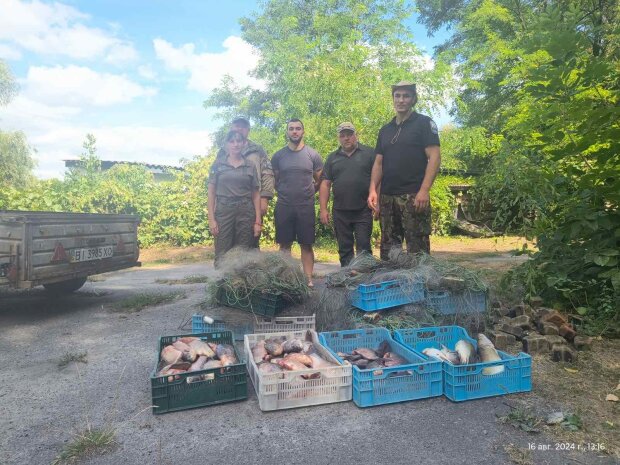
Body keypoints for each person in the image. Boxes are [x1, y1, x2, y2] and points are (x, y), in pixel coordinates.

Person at [367, 81, 441, 260]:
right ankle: (391, 286)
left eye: (406, 96)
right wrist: (372, 190)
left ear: (414, 99)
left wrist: (424, 190)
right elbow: (378, 163)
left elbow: (435, 157)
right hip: (387, 198)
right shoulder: (385, 130)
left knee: (418, 250)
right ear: (393, 99)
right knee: (389, 251)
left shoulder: (424, 123)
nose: (401, 100)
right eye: (397, 96)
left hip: (413, 197)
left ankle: (420, 286)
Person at [271, 118, 323, 287]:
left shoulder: (313, 155)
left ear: (303, 132)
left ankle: (308, 279)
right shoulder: (278, 156)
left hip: (305, 207)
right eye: (291, 128)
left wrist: (309, 193)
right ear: (287, 132)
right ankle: (285, 279)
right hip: (284, 206)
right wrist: (285, 193)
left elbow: (320, 180)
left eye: (298, 128)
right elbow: (274, 181)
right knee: (285, 245)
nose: (294, 131)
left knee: (306, 244)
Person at [319, 122, 376, 267]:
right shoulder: (332, 158)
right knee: (344, 248)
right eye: (342, 135)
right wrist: (323, 209)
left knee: (364, 246)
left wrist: (378, 203)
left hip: (364, 209)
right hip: (340, 211)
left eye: (349, 135)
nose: (346, 138)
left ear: (356, 135)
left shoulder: (370, 154)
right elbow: (325, 184)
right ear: (339, 138)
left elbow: (378, 180)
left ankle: (365, 278)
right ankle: (347, 277)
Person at [216, 117, 274, 246]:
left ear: (248, 130)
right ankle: (227, 267)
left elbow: (267, 173)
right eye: (236, 125)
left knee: (249, 244)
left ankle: (249, 266)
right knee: (225, 244)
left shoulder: (257, 149)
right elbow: (216, 180)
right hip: (226, 206)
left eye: (243, 126)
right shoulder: (223, 151)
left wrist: (264, 198)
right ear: (231, 128)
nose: (239, 129)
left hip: (251, 203)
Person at [207, 130, 262, 267]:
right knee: (222, 250)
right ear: (226, 144)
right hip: (224, 211)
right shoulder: (218, 165)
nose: (235, 144)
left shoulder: (250, 165)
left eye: (239, 141)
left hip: (245, 211)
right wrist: (211, 219)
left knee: (244, 250)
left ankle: (241, 286)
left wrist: (258, 221)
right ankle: (222, 286)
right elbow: (211, 193)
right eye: (232, 141)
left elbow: (256, 194)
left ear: (244, 143)